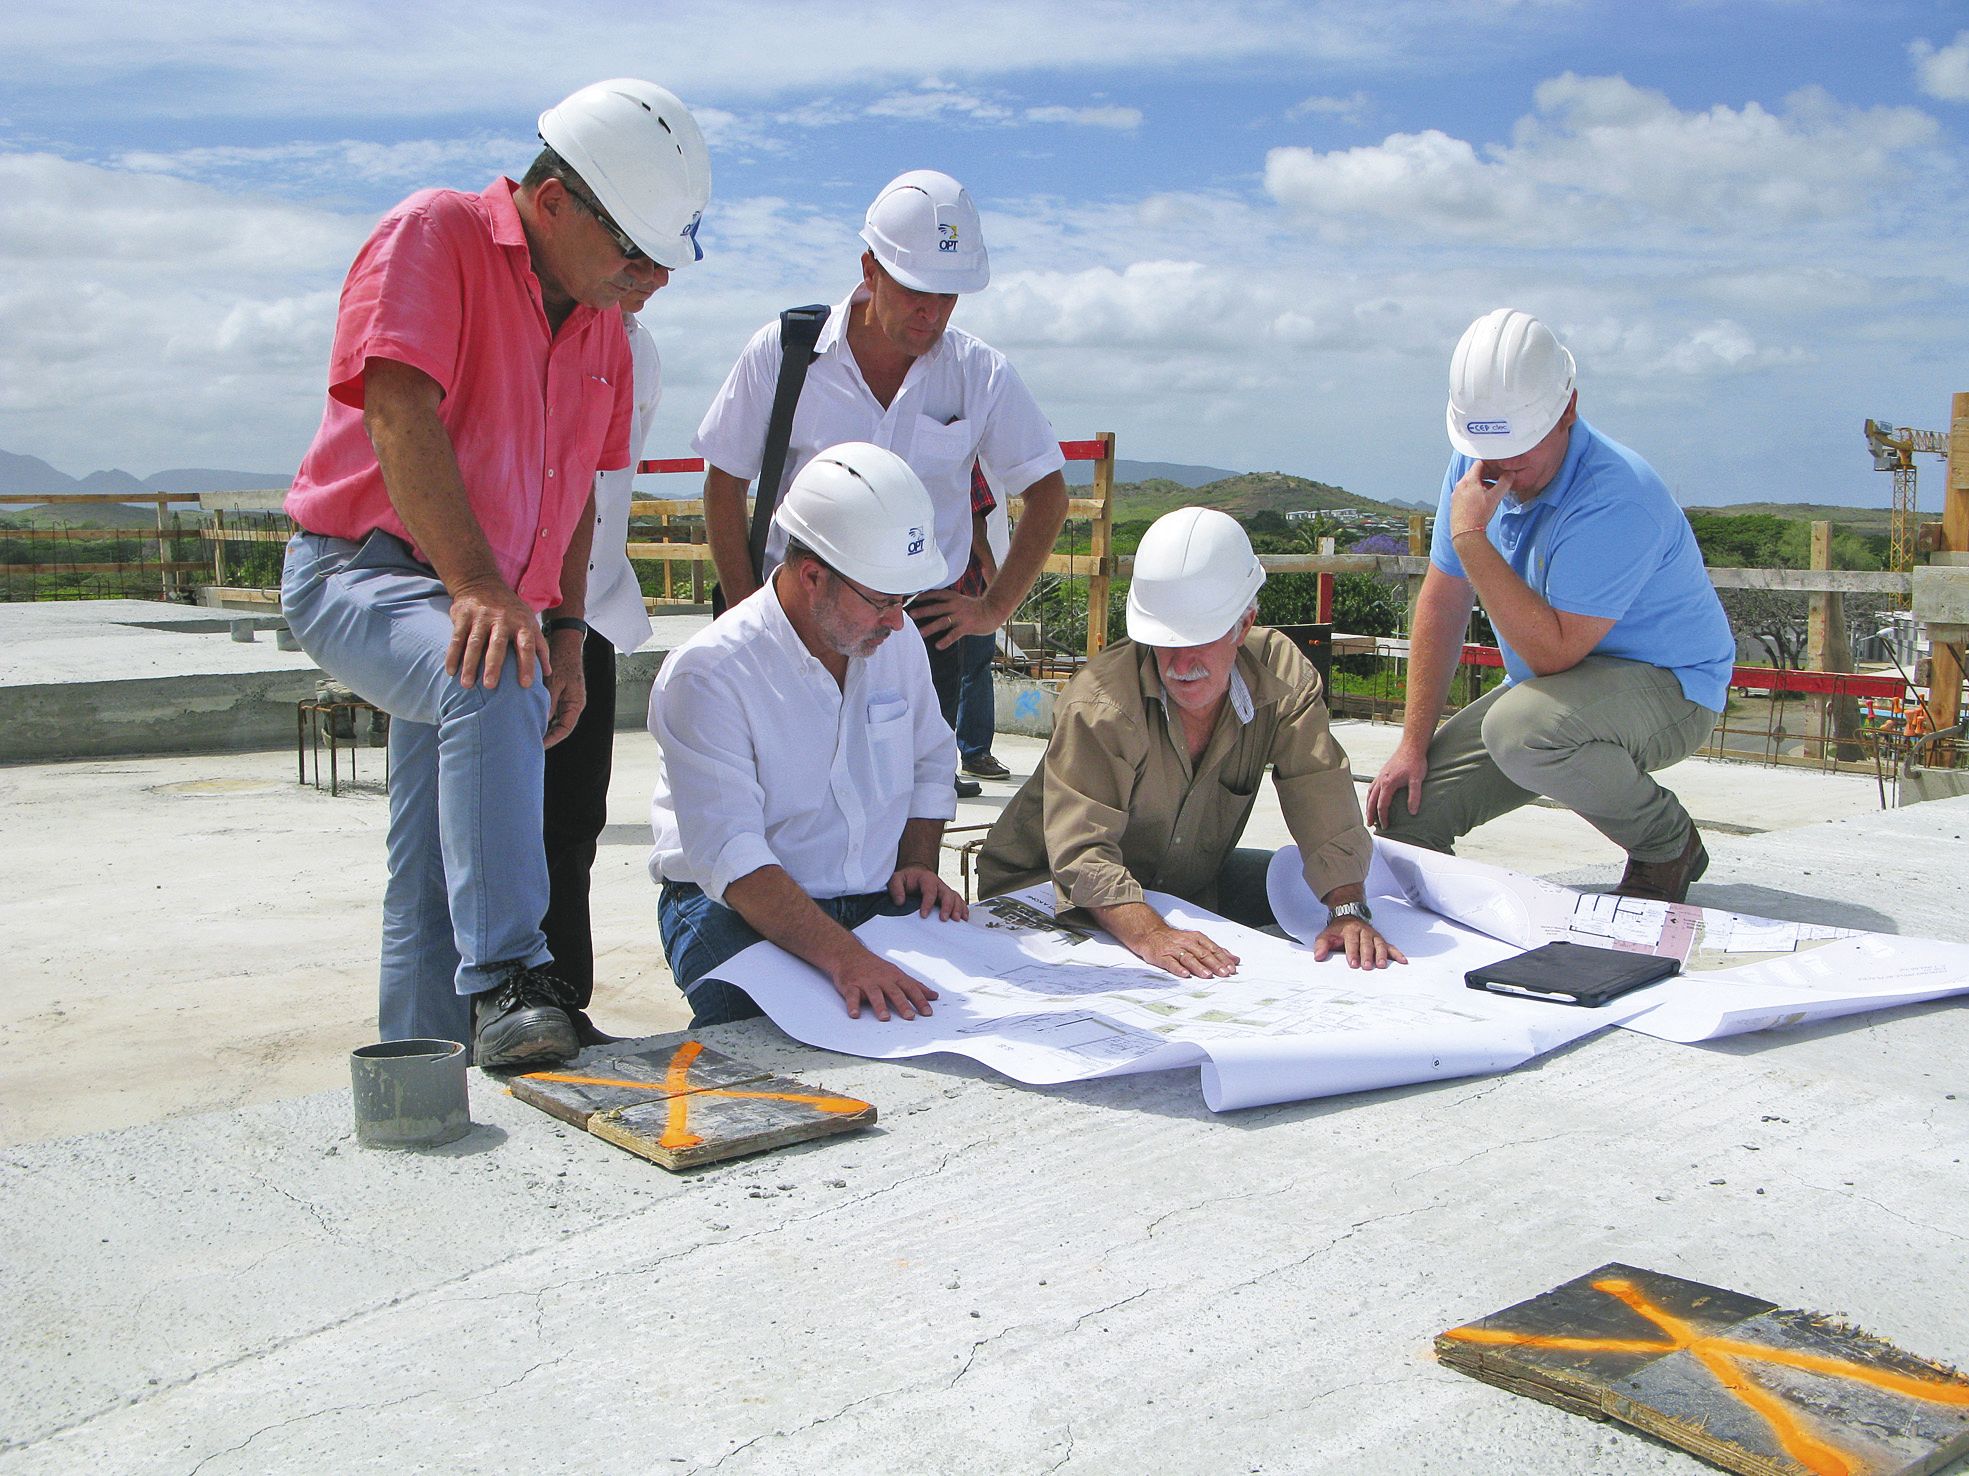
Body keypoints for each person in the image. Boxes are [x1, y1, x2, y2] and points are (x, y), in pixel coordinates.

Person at [281, 79, 710, 1069]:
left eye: (665, 260)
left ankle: (421, 1071)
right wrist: (480, 590)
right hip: (361, 569)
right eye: (634, 253)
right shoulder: (435, 235)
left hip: (488, 598)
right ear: (554, 200)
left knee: (429, 869)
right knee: (487, 668)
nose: (651, 281)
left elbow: (575, 498)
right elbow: (397, 410)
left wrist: (564, 630)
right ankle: (513, 975)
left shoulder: (604, 327)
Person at [692, 169, 1069, 796]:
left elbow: (1048, 492)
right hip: (795, 616)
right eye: (916, 288)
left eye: (950, 295)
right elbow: (724, 482)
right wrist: (743, 609)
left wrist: (993, 608)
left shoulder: (980, 373)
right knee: (782, 800)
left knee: (908, 801)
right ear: (869, 268)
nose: (933, 312)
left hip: (921, 628)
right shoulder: (784, 354)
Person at [1364, 308, 1734, 903]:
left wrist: (1470, 539)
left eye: (1519, 448)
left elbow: (1551, 654)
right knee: (1407, 816)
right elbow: (1443, 600)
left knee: (1524, 733)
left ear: (1567, 410)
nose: (1503, 468)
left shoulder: (1618, 496)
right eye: (1490, 449)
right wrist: (1412, 744)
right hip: (1556, 692)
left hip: (1671, 688)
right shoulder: (1476, 462)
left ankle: (1666, 844)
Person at [978, 508, 1403, 974]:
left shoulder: (1282, 679)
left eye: (1199, 641)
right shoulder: (1101, 705)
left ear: (1244, 625)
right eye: (1165, 644)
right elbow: (1081, 855)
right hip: (1048, 890)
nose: (1181, 666)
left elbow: (1319, 789)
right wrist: (1152, 935)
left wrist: (1346, 909)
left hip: (1183, 889)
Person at [648, 442, 967, 1028]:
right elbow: (732, 856)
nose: (897, 620)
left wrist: (919, 861)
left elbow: (930, 758)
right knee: (774, 1033)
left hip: (873, 894)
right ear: (813, 576)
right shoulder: (710, 675)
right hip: (729, 903)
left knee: (950, 1009)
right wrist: (848, 958)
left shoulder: (896, 642)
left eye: (906, 600)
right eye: (882, 600)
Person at [540, 278, 664, 1021]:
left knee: (572, 820)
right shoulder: (524, 324)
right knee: (484, 823)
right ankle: (468, 1004)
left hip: (586, 612)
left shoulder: (636, 347)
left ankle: (560, 1003)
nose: (652, 282)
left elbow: (603, 487)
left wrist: (574, 619)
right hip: (506, 601)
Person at [955, 462, 1010, 781]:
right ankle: (962, 757)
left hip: (977, 577)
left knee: (975, 667)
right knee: (950, 670)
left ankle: (974, 753)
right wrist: (991, 571)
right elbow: (973, 515)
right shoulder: (971, 448)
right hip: (966, 577)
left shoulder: (996, 452)